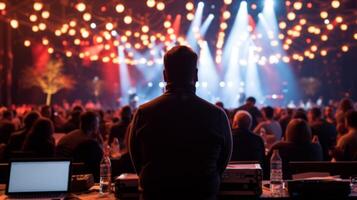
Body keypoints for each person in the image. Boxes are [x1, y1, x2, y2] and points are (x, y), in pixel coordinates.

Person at [128, 46, 232, 199]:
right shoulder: (217, 115)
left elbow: (137, 160)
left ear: (165, 76)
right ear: (196, 75)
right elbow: (223, 161)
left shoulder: (144, 112)